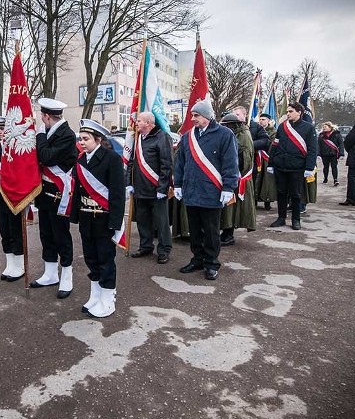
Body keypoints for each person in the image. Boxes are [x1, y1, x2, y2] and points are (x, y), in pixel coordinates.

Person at [173, 99, 239, 281]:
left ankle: (211, 263)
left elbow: (231, 163)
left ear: (207, 116)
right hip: (191, 191)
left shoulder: (225, 134)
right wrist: (177, 184)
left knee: (211, 231)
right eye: (192, 115)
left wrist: (228, 187)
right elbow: (180, 163)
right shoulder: (188, 136)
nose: (193, 118)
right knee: (194, 230)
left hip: (212, 191)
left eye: (196, 115)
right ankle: (197, 259)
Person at [71, 119, 125, 317]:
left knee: (105, 260)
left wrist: (116, 223)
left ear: (98, 139)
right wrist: (75, 216)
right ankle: (96, 295)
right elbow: (77, 191)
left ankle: (108, 299)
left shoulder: (112, 159)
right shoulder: (81, 160)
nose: (82, 142)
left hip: (104, 219)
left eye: (86, 139)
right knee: (91, 258)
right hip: (87, 219)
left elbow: (118, 194)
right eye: (81, 139)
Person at [31, 97, 78, 298]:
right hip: (45, 192)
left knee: (61, 235)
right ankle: (50, 273)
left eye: (43, 118)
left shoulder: (66, 134)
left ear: (47, 116)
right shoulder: (50, 131)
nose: (42, 122)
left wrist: (40, 136)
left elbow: (47, 157)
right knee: (46, 233)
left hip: (60, 192)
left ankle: (67, 274)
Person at [125, 111, 173, 263]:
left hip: (156, 189)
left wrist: (162, 188)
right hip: (140, 189)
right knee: (143, 221)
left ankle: (164, 250)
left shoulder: (162, 137)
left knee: (161, 222)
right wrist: (129, 183)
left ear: (148, 123)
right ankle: (145, 246)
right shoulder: (138, 139)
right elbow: (131, 163)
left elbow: (167, 165)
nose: (136, 123)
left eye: (139, 121)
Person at [267, 102, 318, 230]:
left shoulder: (308, 128)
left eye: (290, 111)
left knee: (296, 194)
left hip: (297, 167)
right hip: (281, 165)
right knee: (281, 193)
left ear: (299, 112)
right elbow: (275, 145)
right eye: (287, 111)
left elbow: (312, 150)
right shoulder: (282, 127)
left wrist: (309, 167)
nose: (287, 113)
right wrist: (271, 163)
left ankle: (296, 219)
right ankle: (281, 218)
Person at [0, 116, 25, 282]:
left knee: (15, 230)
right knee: (5, 231)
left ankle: (19, 265)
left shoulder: (16, 149)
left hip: (15, 196)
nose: (1, 133)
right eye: (0, 129)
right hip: (0, 195)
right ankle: (10, 264)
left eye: (5, 130)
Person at [219, 111, 256, 245]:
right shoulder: (237, 134)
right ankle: (226, 232)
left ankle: (228, 234)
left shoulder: (243, 136)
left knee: (231, 208)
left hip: (238, 176)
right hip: (233, 175)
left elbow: (243, 158)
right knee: (228, 207)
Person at [255, 113, 277, 211]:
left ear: (268, 120)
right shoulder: (256, 130)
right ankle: (254, 200)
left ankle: (267, 201)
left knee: (267, 181)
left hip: (267, 158)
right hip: (257, 158)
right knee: (256, 180)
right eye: (260, 119)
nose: (261, 121)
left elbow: (272, 144)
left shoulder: (273, 132)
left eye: (263, 119)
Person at [318, 121, 344, 186]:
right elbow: (318, 145)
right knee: (325, 167)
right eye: (323, 127)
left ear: (330, 127)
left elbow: (341, 144)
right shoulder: (321, 135)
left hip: (334, 154)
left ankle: (335, 180)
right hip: (324, 154)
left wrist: (341, 154)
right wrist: (318, 154)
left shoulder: (337, 134)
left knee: (334, 167)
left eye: (325, 127)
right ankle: (325, 179)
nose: (324, 128)